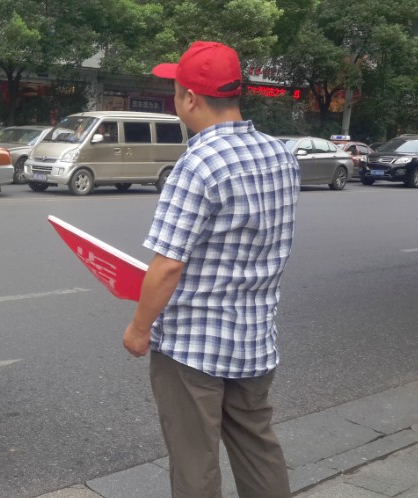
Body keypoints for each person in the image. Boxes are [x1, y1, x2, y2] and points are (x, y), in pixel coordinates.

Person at [122, 41, 299, 497]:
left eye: (175, 91)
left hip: (192, 346)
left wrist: (139, 329)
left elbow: (167, 265)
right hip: (254, 336)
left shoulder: (198, 163)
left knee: (194, 461)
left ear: (189, 98)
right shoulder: (279, 154)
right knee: (258, 448)